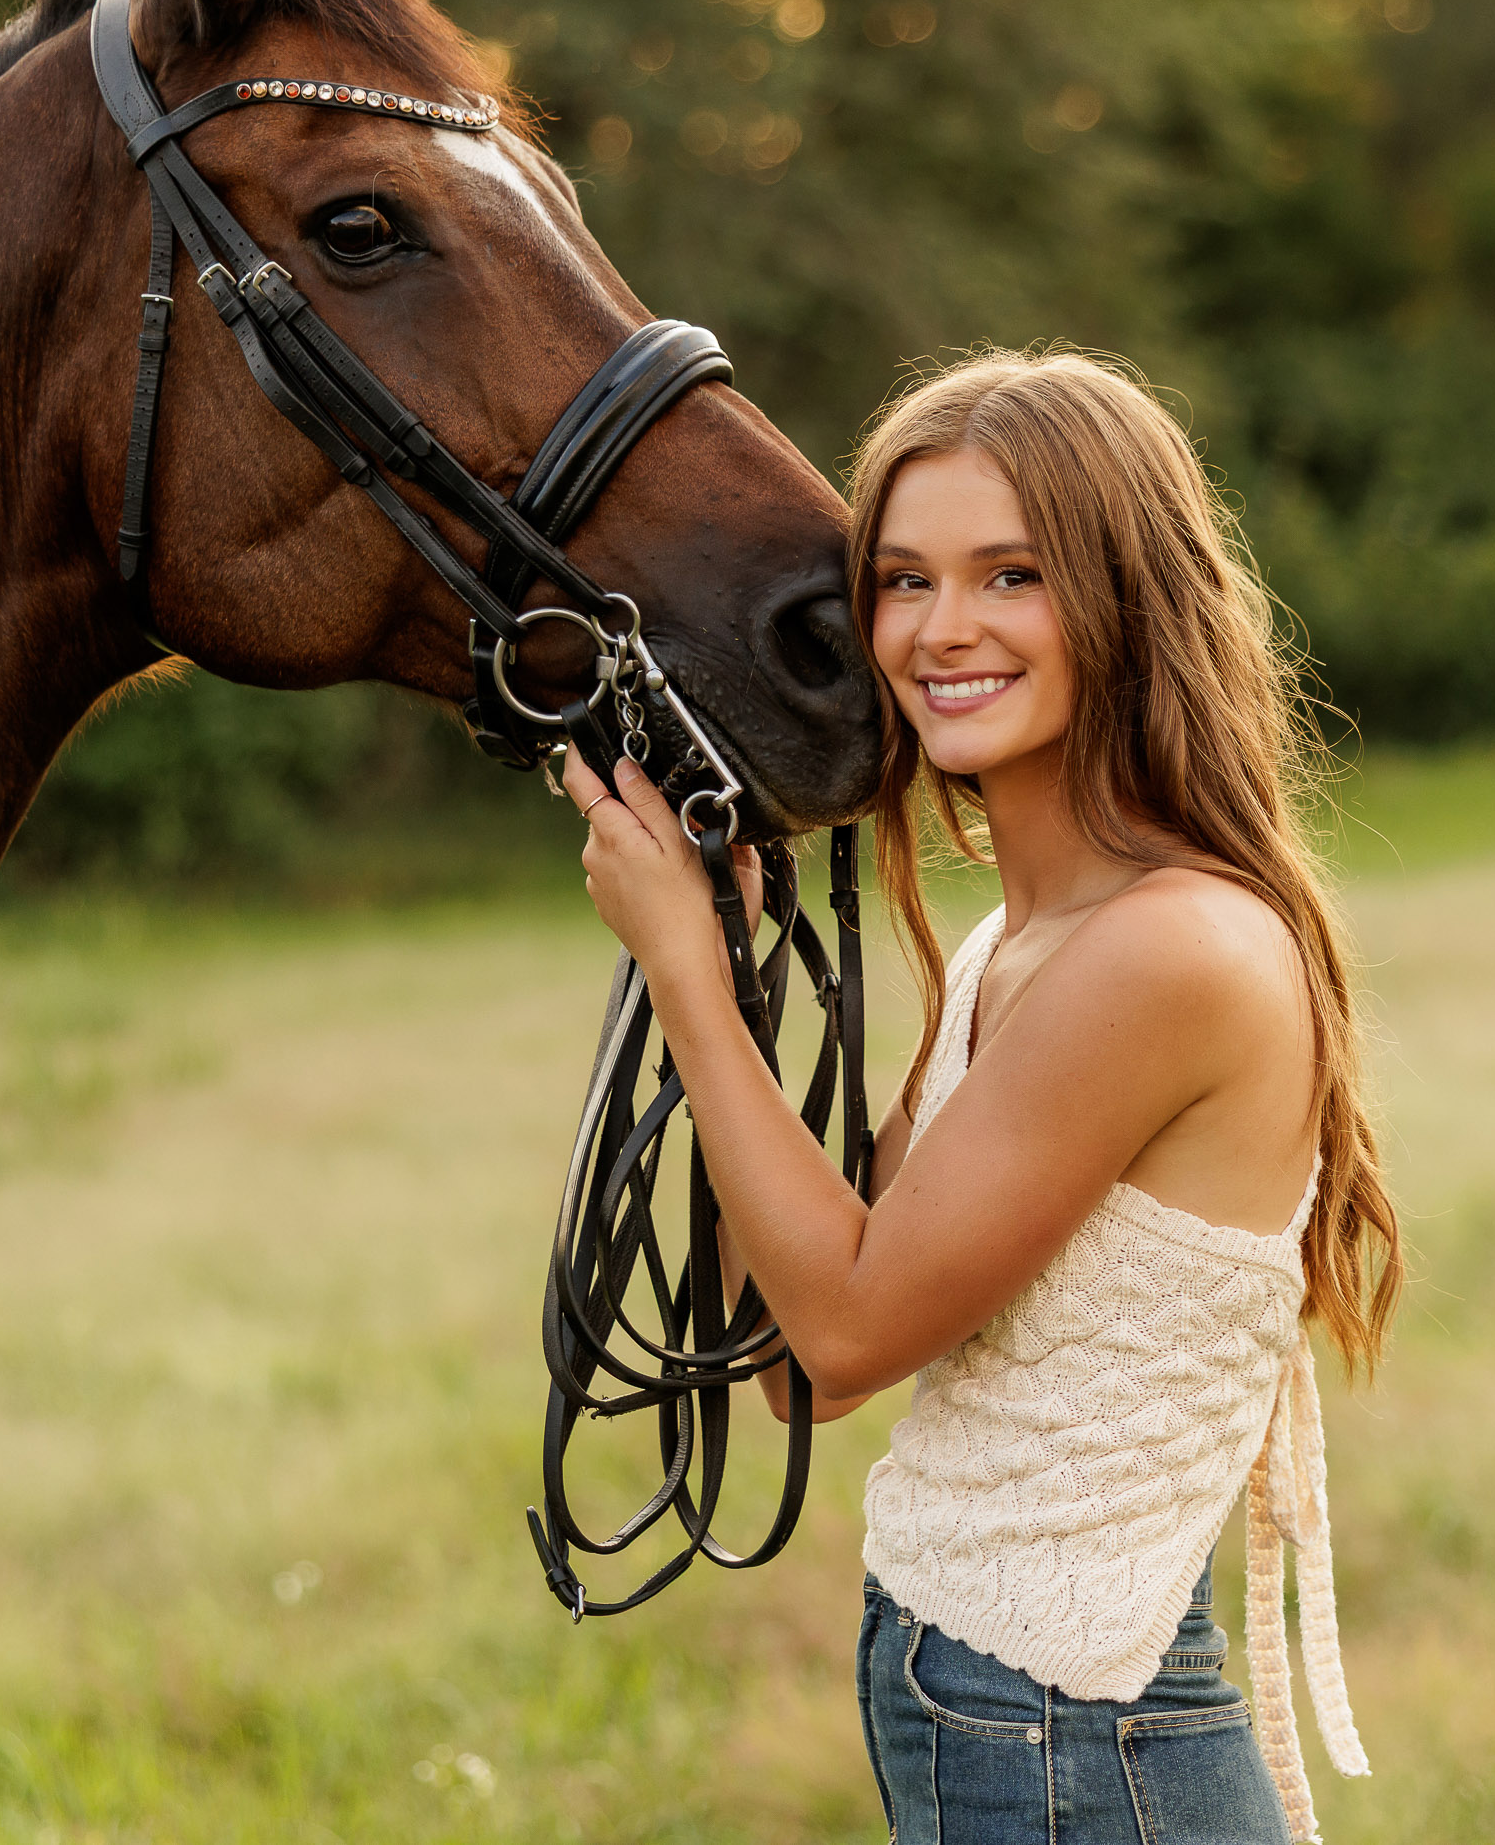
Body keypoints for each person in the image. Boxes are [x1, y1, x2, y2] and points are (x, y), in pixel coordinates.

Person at [563, 350, 1400, 1845]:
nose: (941, 629)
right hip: (998, 1709)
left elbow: (845, 1327)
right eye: (903, 580)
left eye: (1011, 574)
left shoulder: (1163, 954)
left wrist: (684, 974)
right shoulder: (1015, 950)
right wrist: (733, 981)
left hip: (1070, 1738)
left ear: (1127, 598)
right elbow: (801, 1367)